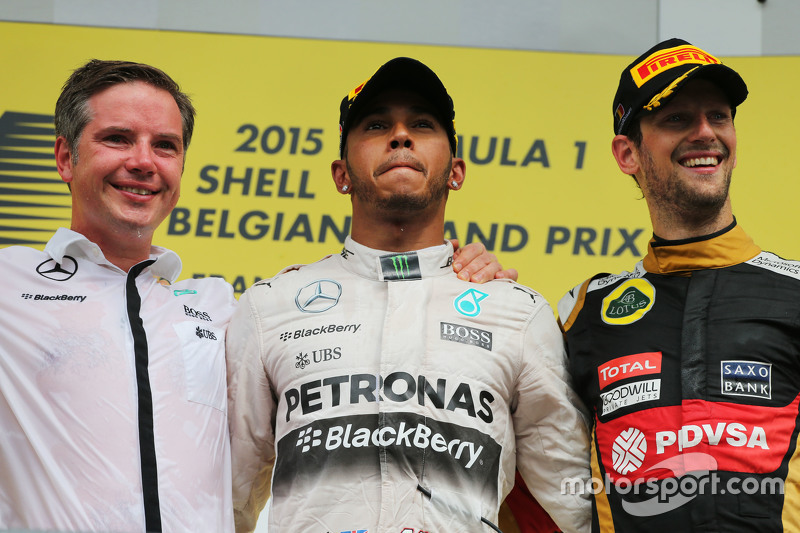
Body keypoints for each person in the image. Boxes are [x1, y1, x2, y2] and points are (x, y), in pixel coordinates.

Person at [226, 57, 592, 533]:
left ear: (457, 171)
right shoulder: (268, 307)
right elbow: (225, 500)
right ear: (340, 174)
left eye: (422, 123)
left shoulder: (517, 313)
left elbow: (572, 500)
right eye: (377, 125)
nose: (401, 136)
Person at [552, 38, 800, 531]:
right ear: (628, 153)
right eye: (677, 119)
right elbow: (535, 469)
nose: (706, 132)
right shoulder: (582, 313)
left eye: (719, 116)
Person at [0, 59, 238, 532]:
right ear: (66, 158)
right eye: (118, 139)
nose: (144, 162)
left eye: (165, 146)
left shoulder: (221, 307)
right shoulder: (7, 283)